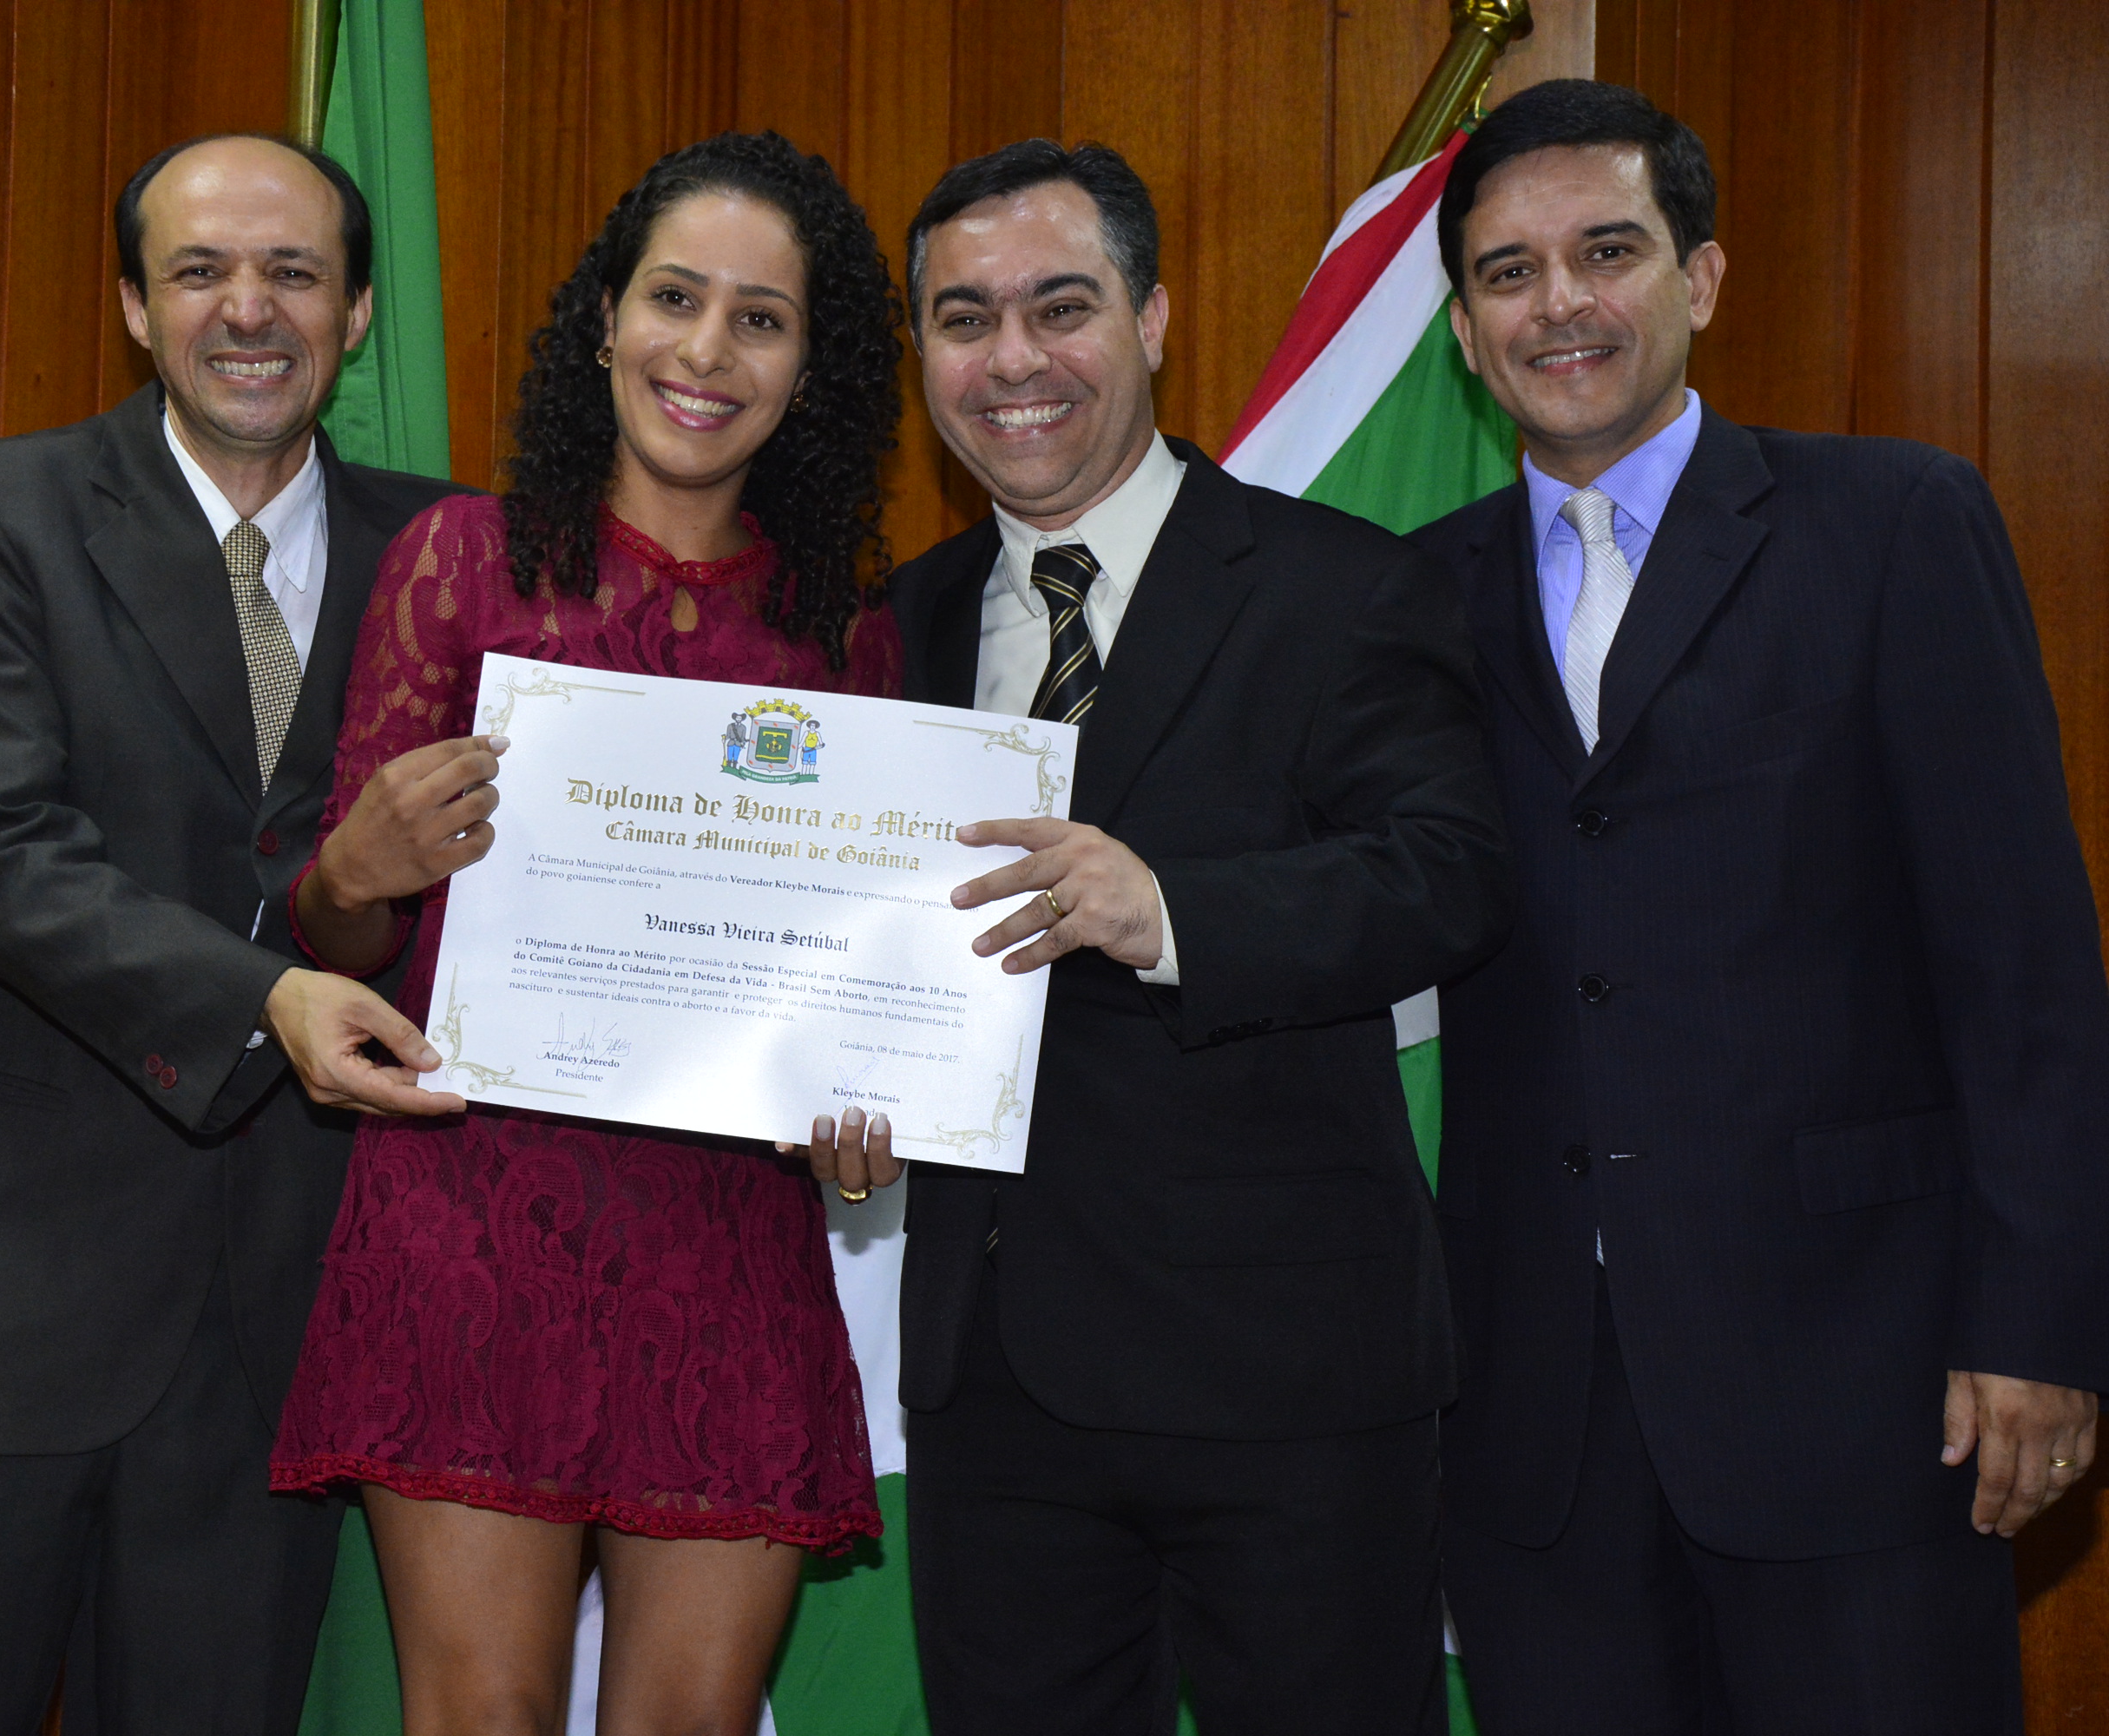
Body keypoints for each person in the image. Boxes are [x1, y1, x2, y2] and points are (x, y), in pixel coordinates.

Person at [1414, 79, 2109, 1734]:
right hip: (1534, 1417)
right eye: (1509, 273)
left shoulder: (1894, 524)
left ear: (1703, 277)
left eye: (1608, 251)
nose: (1559, 303)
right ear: (1464, 333)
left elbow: (2023, 967)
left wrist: (2042, 1326)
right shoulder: (1409, 597)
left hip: (1864, 1388)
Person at [0, 135, 470, 1732]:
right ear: (134, 307)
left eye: (294, 272)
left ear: (359, 312)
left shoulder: (455, 555)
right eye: (200, 272)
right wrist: (272, 997)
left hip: (280, 1334)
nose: (251, 309)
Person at [266, 131, 906, 1736]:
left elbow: (860, 990)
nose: (708, 350)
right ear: (606, 320)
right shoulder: (460, 563)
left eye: (762, 319)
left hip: (733, 1241)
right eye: (675, 298)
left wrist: (873, 1114)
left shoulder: (848, 635)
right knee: (480, 1715)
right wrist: (356, 868)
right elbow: (342, 941)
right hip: (474, 1219)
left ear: (811, 369)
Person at [886, 140, 1511, 1734]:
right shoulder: (891, 627)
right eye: (964, 318)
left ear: (1153, 318)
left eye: (1061, 307)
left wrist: (1166, 911)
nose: (1013, 359)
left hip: (1289, 1382)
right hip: (995, 1387)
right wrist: (837, 1098)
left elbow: (1448, 874)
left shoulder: (1339, 586)